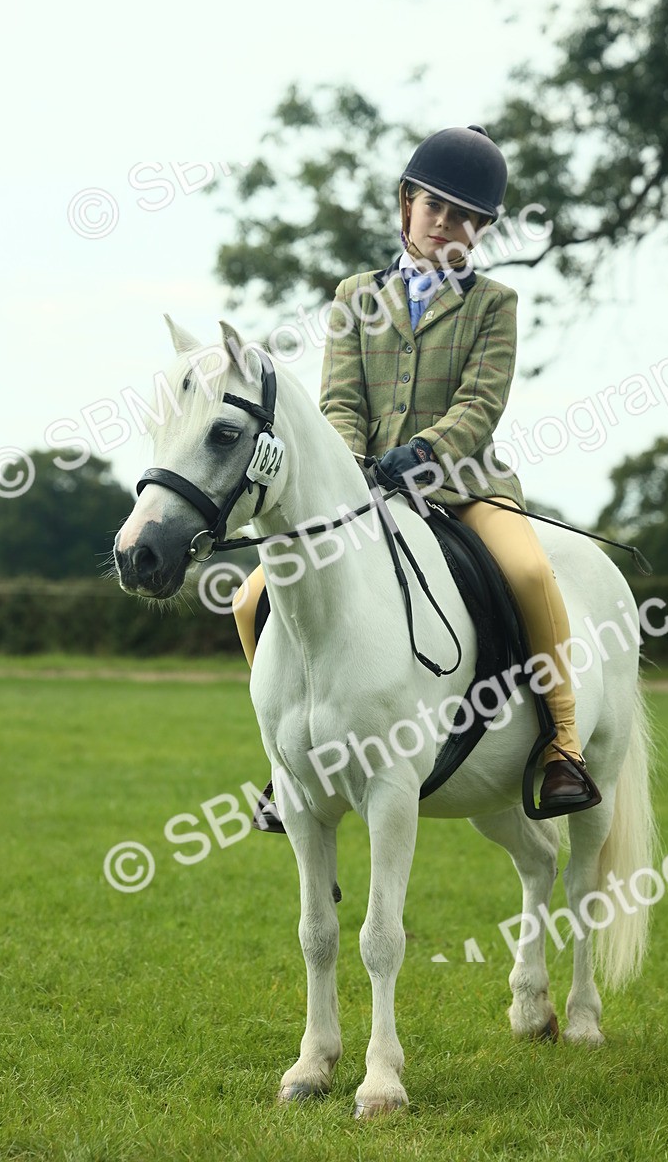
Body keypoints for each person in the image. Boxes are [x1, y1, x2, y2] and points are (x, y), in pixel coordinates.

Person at [235, 124, 601, 825]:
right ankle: (287, 762)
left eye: (465, 217)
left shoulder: (494, 304)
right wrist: (352, 466)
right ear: (407, 202)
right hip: (365, 492)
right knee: (250, 596)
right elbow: (340, 402)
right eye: (436, 206)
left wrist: (426, 451)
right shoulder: (355, 296)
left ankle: (562, 741)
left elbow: (480, 405)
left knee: (529, 573)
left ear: (483, 229)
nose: (446, 224)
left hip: (464, 487)